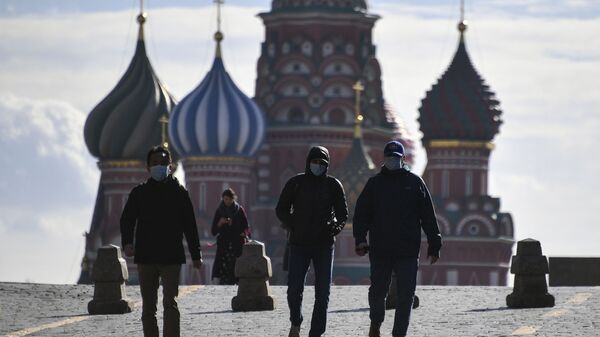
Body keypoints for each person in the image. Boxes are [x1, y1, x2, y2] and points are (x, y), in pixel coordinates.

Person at [353, 140, 442, 337]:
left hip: (407, 251)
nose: (393, 160)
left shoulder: (415, 183)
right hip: (380, 249)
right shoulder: (374, 184)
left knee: (406, 295)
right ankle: (375, 323)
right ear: (384, 159)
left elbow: (428, 216)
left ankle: (399, 333)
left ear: (403, 159)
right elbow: (361, 215)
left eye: (396, 157)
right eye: (389, 157)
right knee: (377, 292)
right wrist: (360, 239)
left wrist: (435, 245)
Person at [120, 145, 202, 337]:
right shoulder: (139, 193)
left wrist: (196, 255)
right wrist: (127, 243)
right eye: (155, 163)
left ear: (171, 166)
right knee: (149, 307)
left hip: (171, 256)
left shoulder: (179, 193)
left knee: (170, 303)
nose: (159, 166)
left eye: (163, 163)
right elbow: (127, 219)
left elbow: (190, 225)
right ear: (147, 167)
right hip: (146, 257)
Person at [276, 146, 348, 337]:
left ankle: (316, 332)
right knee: (293, 289)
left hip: (324, 245)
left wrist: (336, 227)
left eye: (322, 163)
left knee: (323, 292)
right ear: (308, 162)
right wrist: (294, 223)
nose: (318, 166)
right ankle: (296, 321)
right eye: (315, 162)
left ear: (327, 165)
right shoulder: (295, 183)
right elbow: (281, 209)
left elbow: (343, 215)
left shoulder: (333, 185)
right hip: (299, 244)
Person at [211, 188, 250, 285]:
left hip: (236, 246)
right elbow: (213, 231)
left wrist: (242, 232)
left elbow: (247, 228)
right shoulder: (219, 211)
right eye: (224, 199)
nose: (226, 201)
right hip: (223, 246)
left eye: (228, 199)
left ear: (233, 199)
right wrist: (220, 223)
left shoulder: (239, 210)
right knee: (222, 271)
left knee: (235, 269)